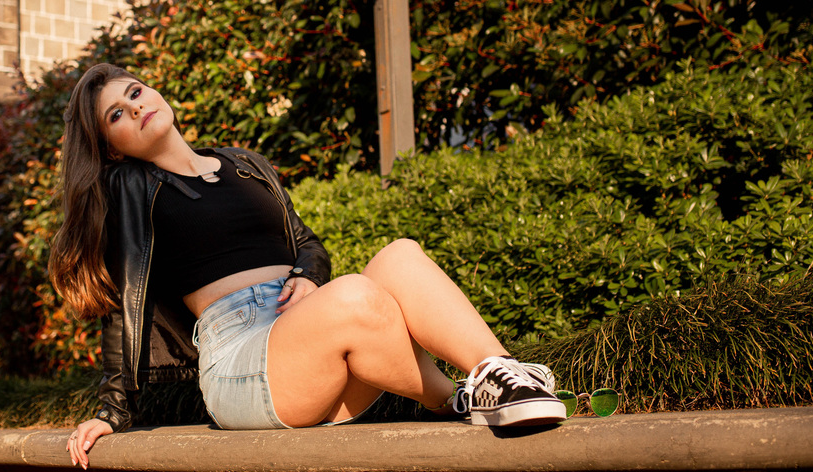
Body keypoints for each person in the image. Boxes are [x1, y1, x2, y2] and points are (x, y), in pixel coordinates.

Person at [50, 64, 566, 468]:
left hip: (307, 325)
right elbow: (125, 302)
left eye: (135, 92)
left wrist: (307, 277)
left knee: (400, 256)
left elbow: (306, 244)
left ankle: (503, 376)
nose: (134, 108)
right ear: (111, 150)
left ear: (155, 94)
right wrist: (111, 413)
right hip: (240, 359)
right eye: (115, 115)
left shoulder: (244, 163)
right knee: (356, 298)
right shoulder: (128, 190)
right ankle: (457, 398)